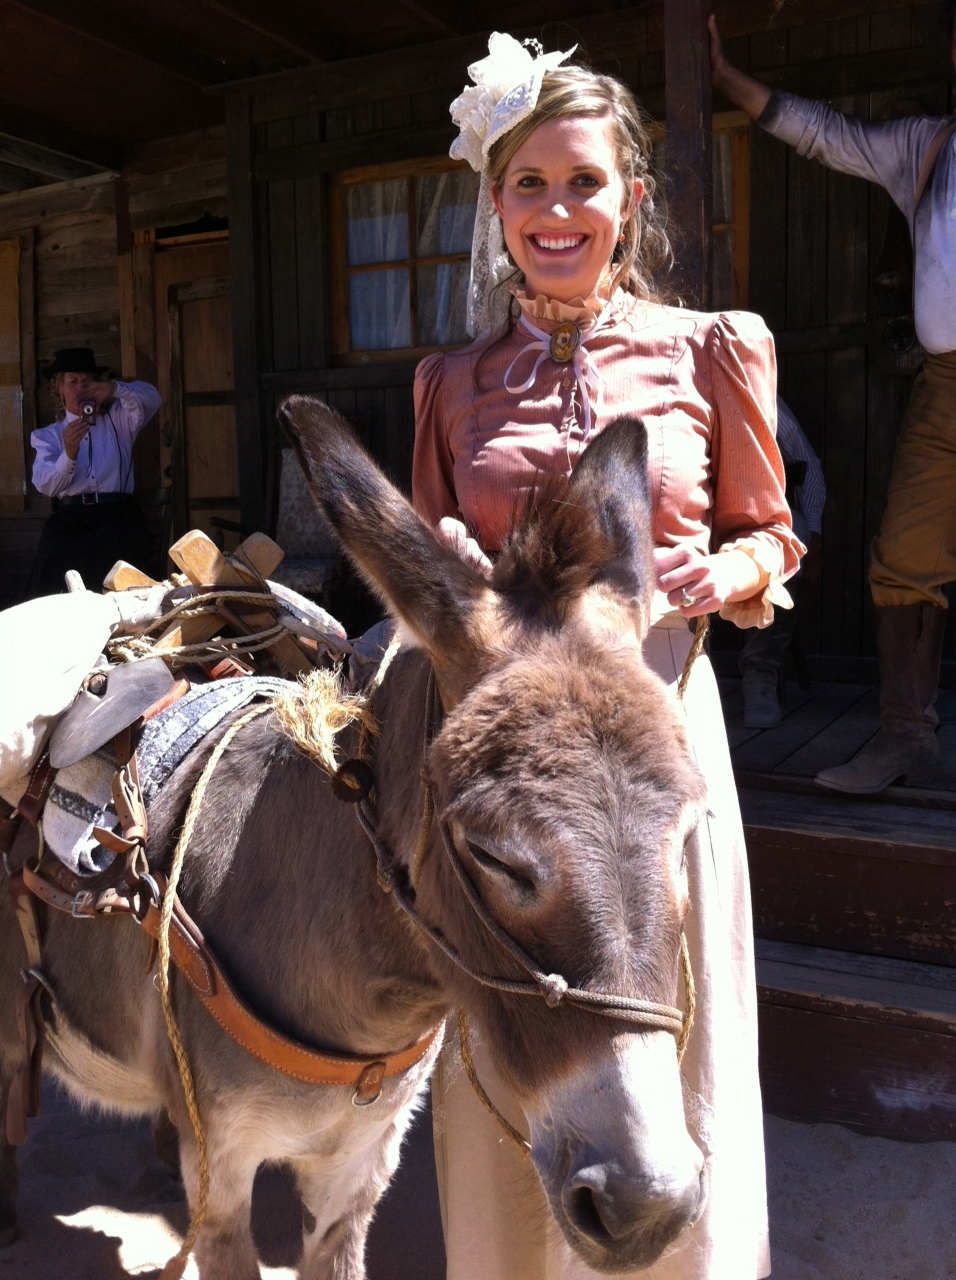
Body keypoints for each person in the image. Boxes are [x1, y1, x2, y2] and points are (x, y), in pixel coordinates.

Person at [411, 33, 803, 1280]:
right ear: (495, 207)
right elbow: (424, 550)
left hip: (654, 741)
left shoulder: (711, 347)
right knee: (511, 1015)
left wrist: (723, 573)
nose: (555, 211)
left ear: (629, 196)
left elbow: (771, 533)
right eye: (527, 185)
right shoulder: (449, 381)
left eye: (581, 181)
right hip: (504, 764)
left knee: (669, 1025)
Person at [710, 7, 956, 791]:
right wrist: (725, 79)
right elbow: (824, 133)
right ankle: (907, 738)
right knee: (904, 560)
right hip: (944, 389)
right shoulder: (930, 147)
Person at [29, 347, 161, 597]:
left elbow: (153, 398)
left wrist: (113, 388)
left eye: (88, 381)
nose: (81, 388)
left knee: (116, 556)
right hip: (72, 523)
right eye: (73, 382)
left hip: (117, 519)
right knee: (59, 568)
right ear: (59, 387)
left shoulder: (119, 421)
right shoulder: (49, 436)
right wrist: (68, 454)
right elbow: (46, 486)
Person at [740, 396, 825, 727]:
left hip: (754, 519)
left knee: (787, 547)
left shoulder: (757, 393)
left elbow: (807, 463)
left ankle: (760, 676)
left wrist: (814, 532)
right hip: (692, 521)